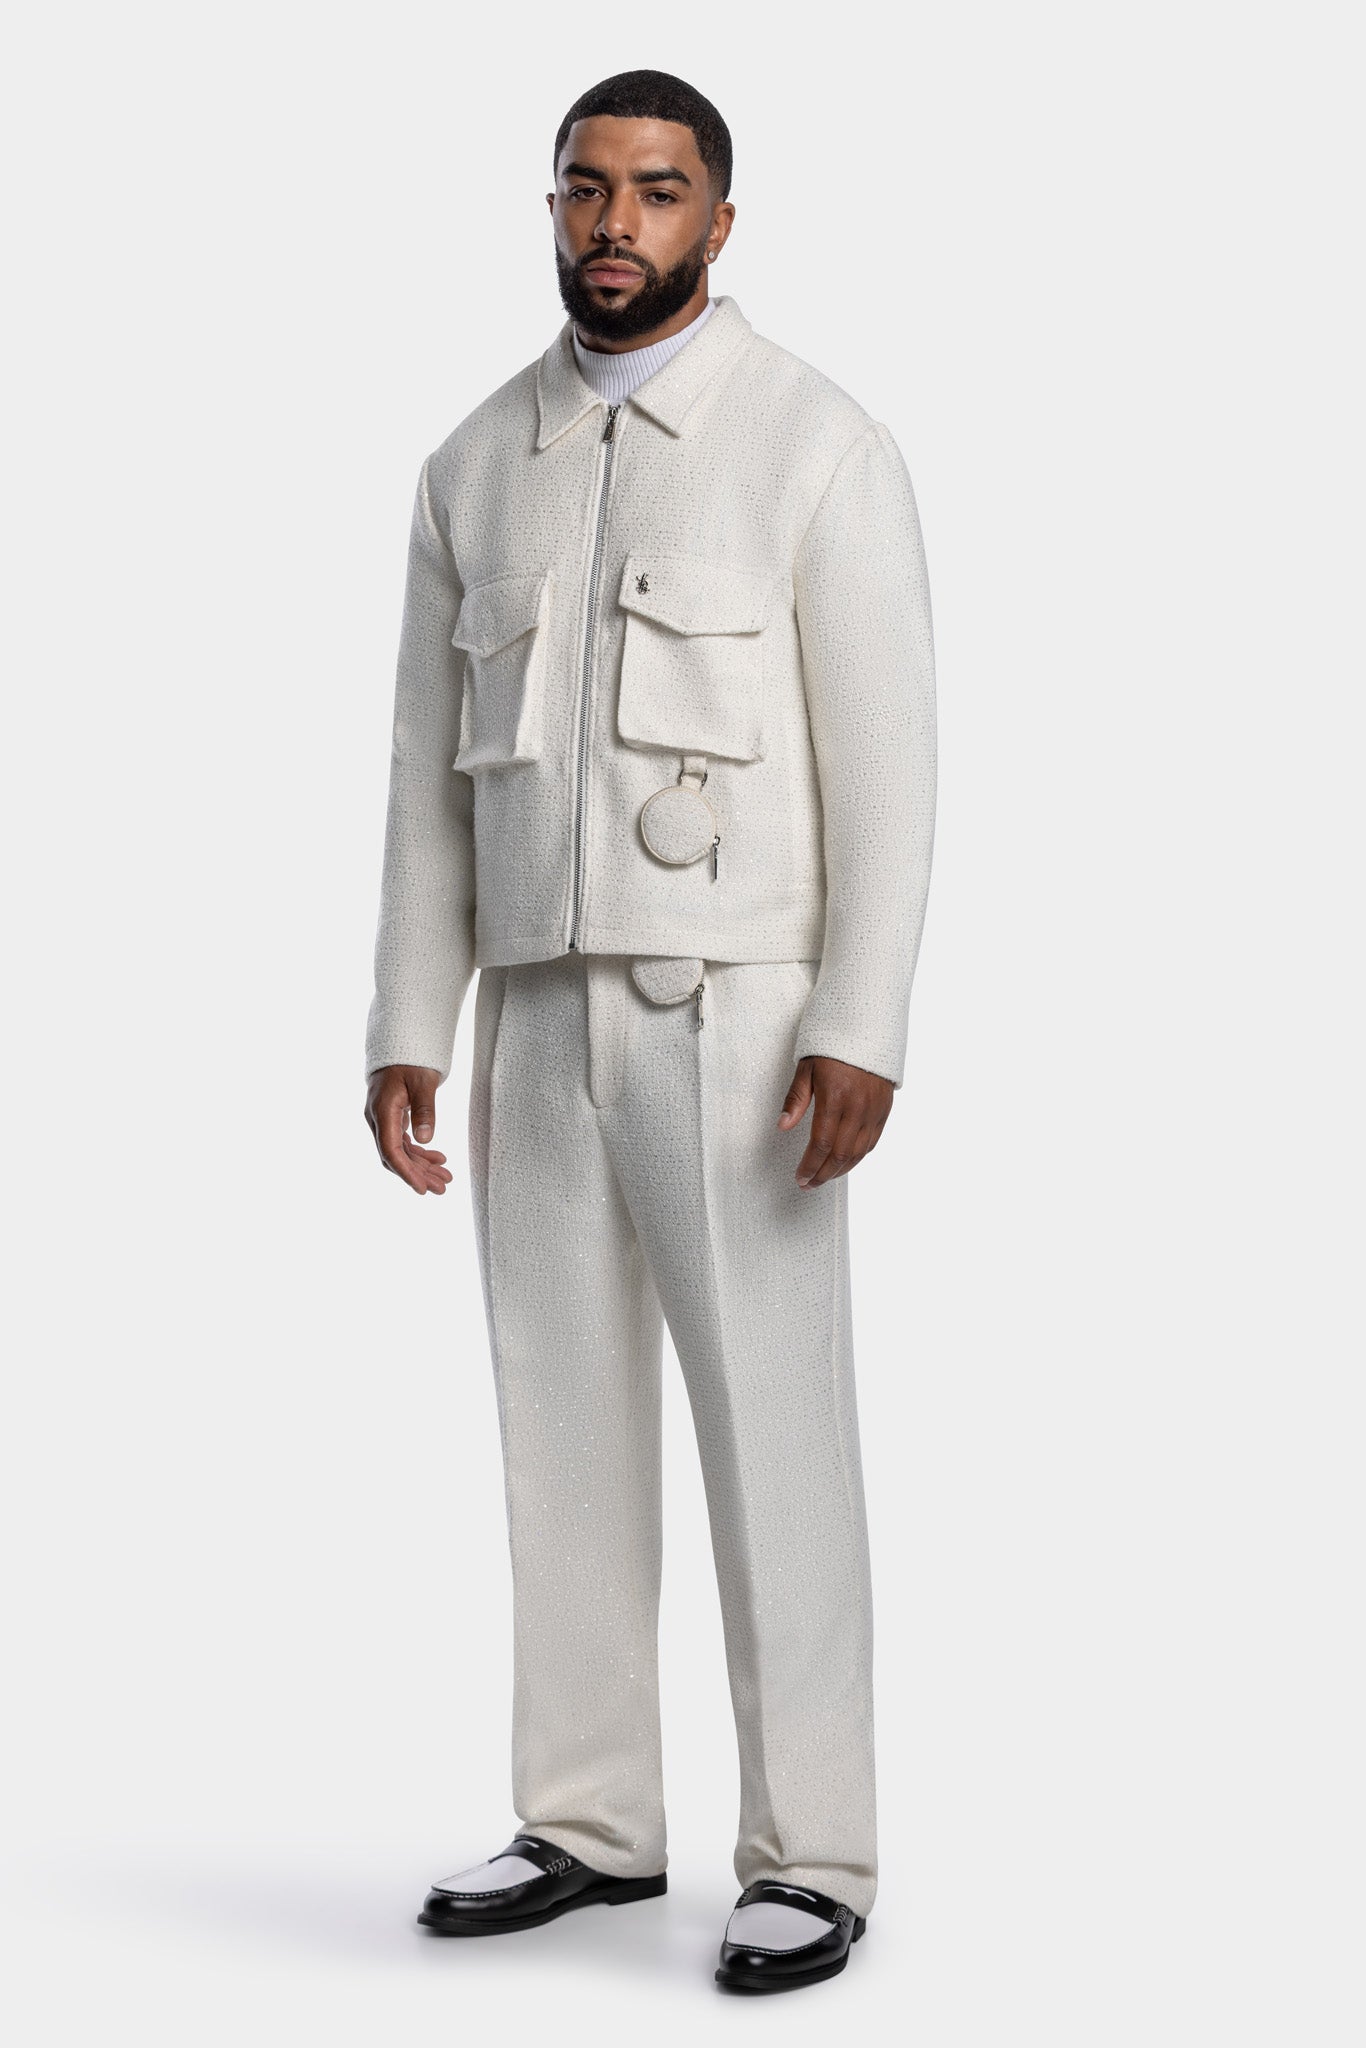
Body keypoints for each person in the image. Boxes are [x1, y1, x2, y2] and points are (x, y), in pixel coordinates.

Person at [362, 67, 937, 1993]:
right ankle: (591, 1822)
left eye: (658, 190)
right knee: (557, 1424)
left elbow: (892, 763)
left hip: (740, 1018)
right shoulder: (473, 464)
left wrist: (861, 1020)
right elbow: (423, 781)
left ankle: (815, 1854)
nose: (617, 222)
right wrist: (407, 1014)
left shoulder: (814, 443)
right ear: (551, 208)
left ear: (718, 218)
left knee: (776, 1429)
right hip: (533, 1014)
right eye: (586, 188)